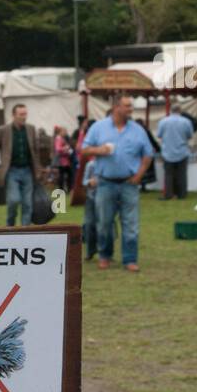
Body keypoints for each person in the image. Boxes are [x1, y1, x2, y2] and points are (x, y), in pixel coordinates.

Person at [79, 95, 154, 271]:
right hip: (105, 183)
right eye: (127, 106)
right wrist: (100, 150)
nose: (130, 109)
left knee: (131, 223)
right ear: (116, 107)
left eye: (131, 106)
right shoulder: (99, 127)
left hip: (129, 184)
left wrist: (139, 175)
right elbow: (83, 150)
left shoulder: (138, 130)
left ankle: (130, 259)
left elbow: (148, 154)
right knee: (104, 222)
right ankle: (105, 255)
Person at [0, 104, 44, 227]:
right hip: (12, 170)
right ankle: (10, 226)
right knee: (13, 200)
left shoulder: (31, 129)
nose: (24, 117)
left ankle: (25, 232)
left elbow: (35, 150)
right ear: (13, 115)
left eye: (25, 114)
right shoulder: (4, 130)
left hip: (27, 170)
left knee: (27, 203)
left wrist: (38, 169)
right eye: (21, 114)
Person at [155, 108, 194, 200]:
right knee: (182, 174)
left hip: (168, 151)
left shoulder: (163, 121)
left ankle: (169, 194)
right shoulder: (186, 121)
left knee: (169, 174)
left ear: (171, 111)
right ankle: (182, 194)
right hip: (182, 151)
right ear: (180, 111)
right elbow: (190, 135)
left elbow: (159, 135)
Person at [53, 126, 74, 192]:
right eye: (64, 131)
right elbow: (58, 149)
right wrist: (66, 148)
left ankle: (68, 189)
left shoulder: (63, 138)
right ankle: (62, 189)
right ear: (60, 132)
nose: (66, 133)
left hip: (66, 160)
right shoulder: (58, 139)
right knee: (62, 176)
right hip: (61, 161)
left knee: (68, 175)